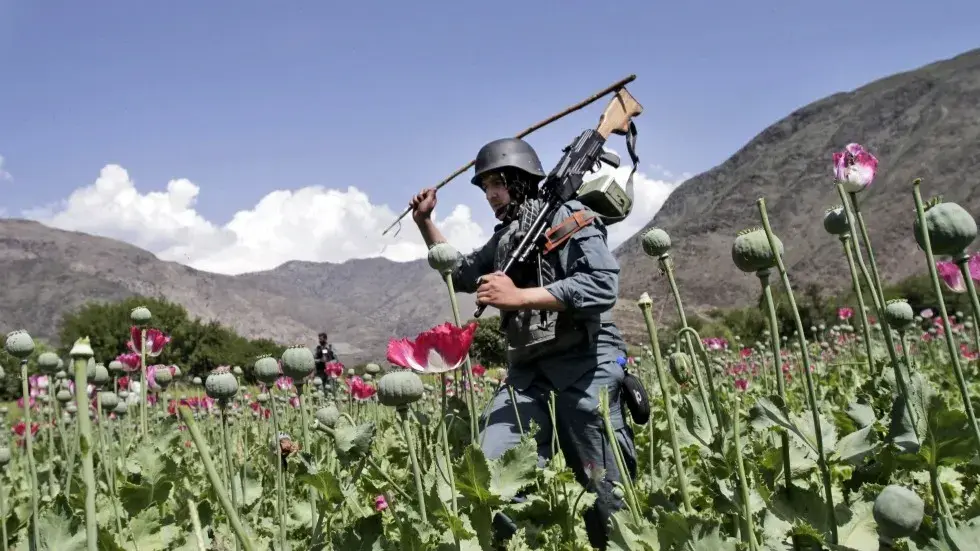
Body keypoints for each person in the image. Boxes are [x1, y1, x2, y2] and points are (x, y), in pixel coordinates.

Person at [408, 137, 636, 549]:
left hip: (586, 364)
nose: (491, 195)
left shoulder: (571, 215)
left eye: (498, 183)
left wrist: (518, 296)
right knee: (491, 479)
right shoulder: (508, 238)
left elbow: (602, 285)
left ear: (521, 179)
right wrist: (426, 223)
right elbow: (461, 273)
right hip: (528, 374)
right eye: (485, 187)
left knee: (606, 494)